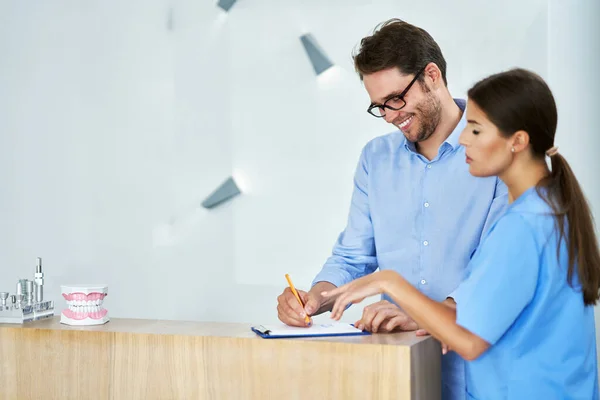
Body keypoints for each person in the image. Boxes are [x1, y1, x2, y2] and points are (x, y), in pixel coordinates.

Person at [322, 68, 600, 399]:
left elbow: (468, 338)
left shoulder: (521, 227)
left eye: (476, 129)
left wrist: (389, 282)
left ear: (518, 141)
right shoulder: (546, 210)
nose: (463, 139)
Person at [276, 19, 507, 400]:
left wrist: (430, 314)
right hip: (399, 376)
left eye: (395, 99)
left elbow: (502, 268)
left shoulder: (497, 152)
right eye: (378, 106)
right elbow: (352, 256)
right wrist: (316, 297)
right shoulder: (375, 159)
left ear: (432, 76)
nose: (389, 116)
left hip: (484, 373)